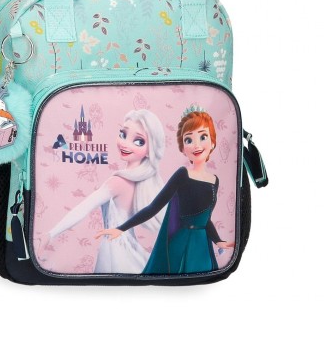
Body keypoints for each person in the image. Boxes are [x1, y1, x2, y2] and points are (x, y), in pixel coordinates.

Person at [95, 106, 235, 274]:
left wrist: (218, 241)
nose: (196, 145)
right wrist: (121, 228)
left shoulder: (214, 180)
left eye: (203, 137)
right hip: (181, 244)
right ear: (183, 148)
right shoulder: (182, 174)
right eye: (188, 140)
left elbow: (206, 220)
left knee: (203, 279)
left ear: (212, 142)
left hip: (203, 245)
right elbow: (154, 207)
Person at [46, 109, 166, 274]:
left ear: (150, 150)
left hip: (114, 248)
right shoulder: (143, 182)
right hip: (130, 248)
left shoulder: (118, 182)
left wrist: (51, 234)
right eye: (123, 134)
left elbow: (84, 208)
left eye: (139, 141)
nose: (125, 144)